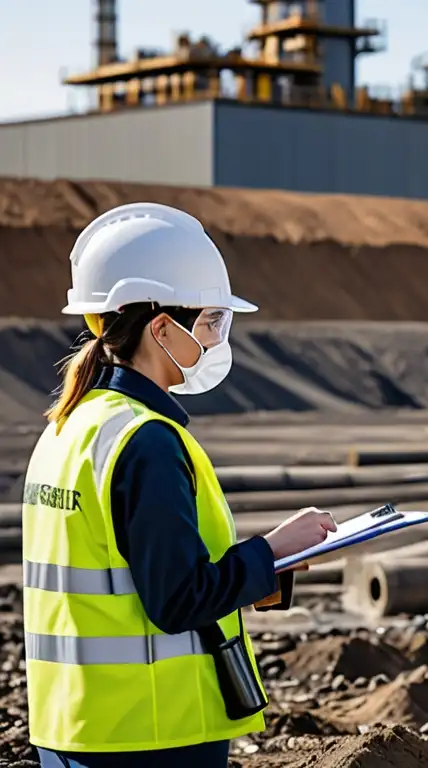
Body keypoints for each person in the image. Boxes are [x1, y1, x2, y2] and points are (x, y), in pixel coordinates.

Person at [22, 202, 339, 768]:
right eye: (211, 321)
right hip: (152, 734)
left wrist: (265, 576)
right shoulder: (145, 441)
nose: (218, 339)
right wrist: (273, 550)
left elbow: (121, 578)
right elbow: (177, 599)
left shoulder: (69, 427)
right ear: (162, 328)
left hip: (75, 729)